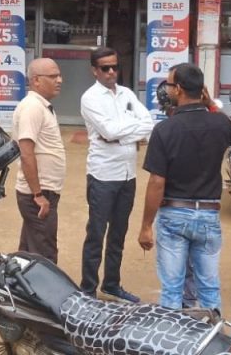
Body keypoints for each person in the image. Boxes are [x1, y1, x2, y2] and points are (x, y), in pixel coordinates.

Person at [138, 63, 231, 312]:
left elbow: (156, 182)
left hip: (174, 215)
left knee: (172, 288)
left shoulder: (164, 129)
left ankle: (174, 345)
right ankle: (213, 344)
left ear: (179, 90)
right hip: (208, 215)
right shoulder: (219, 123)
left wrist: (146, 226)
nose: (167, 89)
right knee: (208, 287)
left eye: (170, 84)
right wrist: (212, 106)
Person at [79, 47, 154, 303]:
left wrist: (121, 134)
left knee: (118, 234)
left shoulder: (127, 94)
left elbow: (148, 123)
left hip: (127, 175)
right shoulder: (90, 98)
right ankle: (88, 290)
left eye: (114, 66)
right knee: (96, 234)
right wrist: (127, 133)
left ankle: (111, 284)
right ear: (94, 70)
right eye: (105, 68)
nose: (111, 72)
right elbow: (109, 131)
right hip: (102, 175)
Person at [13, 58, 66, 263]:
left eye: (59, 75)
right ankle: (48, 295)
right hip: (38, 195)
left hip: (44, 192)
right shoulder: (32, 107)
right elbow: (26, 153)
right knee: (45, 257)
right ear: (36, 80)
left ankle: (16, 293)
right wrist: (37, 194)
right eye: (53, 76)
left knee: (29, 252)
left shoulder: (42, 106)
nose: (59, 80)